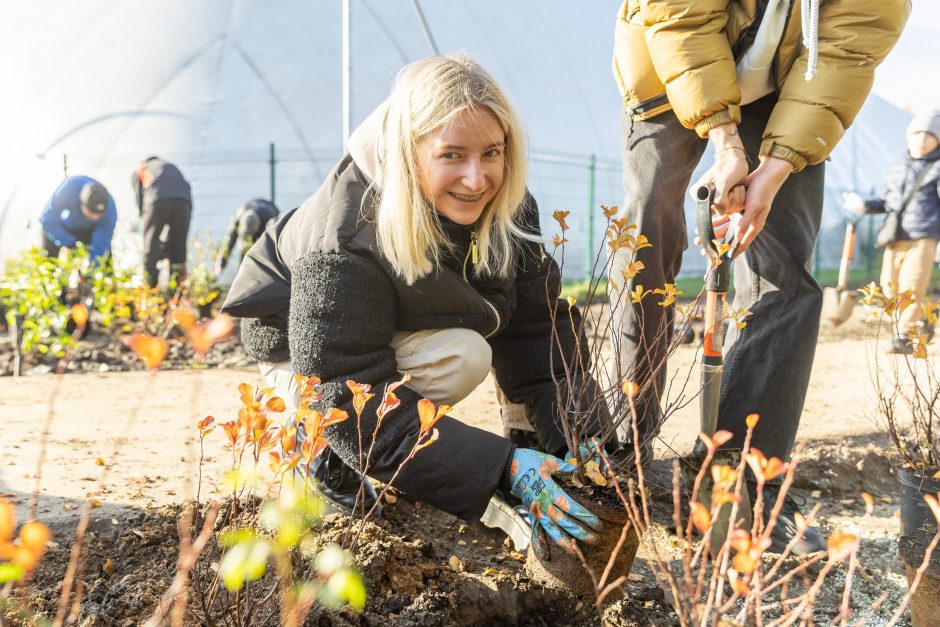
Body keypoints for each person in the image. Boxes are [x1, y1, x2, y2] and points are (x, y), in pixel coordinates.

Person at [222, 55, 613, 556]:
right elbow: (342, 390)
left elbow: (536, 331)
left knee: (480, 347)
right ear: (409, 152)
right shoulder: (346, 237)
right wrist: (502, 468)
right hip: (307, 360)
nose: (477, 179)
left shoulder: (509, 207)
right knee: (462, 356)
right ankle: (326, 455)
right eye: (452, 155)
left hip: (386, 331)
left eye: (492, 152)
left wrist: (579, 431)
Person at [610, 0, 909, 553]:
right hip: (670, 56)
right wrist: (725, 144)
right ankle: (622, 453)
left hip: (789, 87)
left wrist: (775, 167)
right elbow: (680, 18)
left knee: (785, 276)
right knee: (647, 237)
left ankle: (743, 478)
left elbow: (845, 50)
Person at [844, 111, 940, 354]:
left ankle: (905, 337)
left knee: (912, 285)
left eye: (929, 135)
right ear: (908, 136)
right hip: (895, 235)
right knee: (890, 288)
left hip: (923, 235)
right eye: (917, 133)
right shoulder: (898, 166)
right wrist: (864, 205)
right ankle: (927, 316)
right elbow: (888, 201)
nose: (922, 139)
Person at [131, 156, 192, 288]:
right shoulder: (169, 165)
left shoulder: (141, 168)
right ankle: (177, 293)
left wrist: (143, 213)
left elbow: (140, 201)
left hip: (158, 198)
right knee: (178, 248)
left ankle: (151, 290)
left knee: (150, 245)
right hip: (184, 200)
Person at [39, 175, 117, 263]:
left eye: (99, 215)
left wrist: (90, 273)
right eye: (91, 213)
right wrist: (69, 242)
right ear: (82, 204)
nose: (95, 218)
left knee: (104, 259)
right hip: (66, 226)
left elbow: (101, 244)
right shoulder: (68, 189)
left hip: (91, 231)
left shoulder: (110, 210)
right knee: (48, 259)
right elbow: (47, 219)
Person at [214, 198, 280, 275]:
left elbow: (275, 244)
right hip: (252, 211)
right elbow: (229, 240)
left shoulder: (271, 219)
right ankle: (243, 274)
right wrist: (221, 264)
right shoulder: (238, 216)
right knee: (245, 249)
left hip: (268, 215)